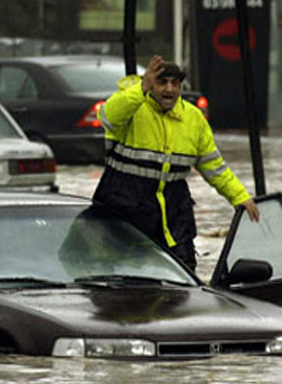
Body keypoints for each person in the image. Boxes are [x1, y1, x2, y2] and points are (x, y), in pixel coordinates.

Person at [93, 54, 260, 271]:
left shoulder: (193, 119)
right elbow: (107, 116)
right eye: (162, 82)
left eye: (175, 84)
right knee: (123, 280)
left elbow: (214, 167)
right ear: (151, 84)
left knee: (183, 275)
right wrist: (141, 87)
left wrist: (240, 197)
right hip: (124, 210)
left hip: (173, 216)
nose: (169, 89)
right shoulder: (132, 106)